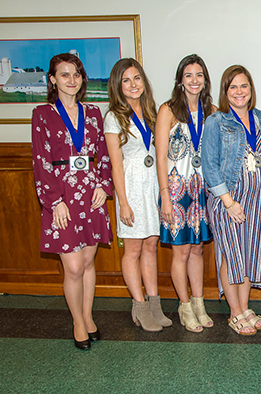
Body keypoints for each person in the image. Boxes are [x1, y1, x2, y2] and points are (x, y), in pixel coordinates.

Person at [31, 53, 112, 350]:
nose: (71, 80)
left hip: (91, 195)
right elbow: (41, 162)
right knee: (74, 267)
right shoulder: (42, 114)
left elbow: (103, 154)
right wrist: (54, 202)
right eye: (64, 75)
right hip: (62, 198)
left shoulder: (92, 112)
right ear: (52, 80)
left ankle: (88, 317)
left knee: (89, 262)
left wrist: (105, 186)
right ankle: (77, 321)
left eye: (76, 74)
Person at [104, 58, 171, 332]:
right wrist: (123, 202)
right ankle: (139, 305)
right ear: (118, 86)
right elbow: (115, 164)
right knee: (132, 249)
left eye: (137, 78)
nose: (133, 85)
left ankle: (154, 303)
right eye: (126, 80)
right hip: (130, 187)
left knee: (151, 245)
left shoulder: (152, 112)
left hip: (153, 186)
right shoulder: (113, 117)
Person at [202, 65, 261, 336]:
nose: (239, 92)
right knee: (232, 253)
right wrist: (228, 202)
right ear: (225, 92)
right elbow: (209, 166)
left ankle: (244, 305)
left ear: (251, 89)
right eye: (233, 87)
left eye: (244, 86)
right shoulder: (216, 121)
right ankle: (234, 312)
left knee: (250, 252)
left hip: (257, 201)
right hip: (228, 200)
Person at [155, 54, 215, 333]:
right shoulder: (168, 110)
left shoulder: (212, 111)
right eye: (189, 75)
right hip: (177, 191)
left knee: (198, 249)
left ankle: (200, 303)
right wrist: (165, 195)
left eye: (199, 75)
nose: (194, 80)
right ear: (180, 80)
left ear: (205, 79)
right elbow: (160, 157)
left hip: (203, 190)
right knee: (180, 251)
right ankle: (184, 305)